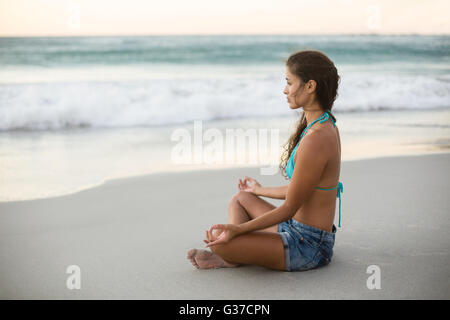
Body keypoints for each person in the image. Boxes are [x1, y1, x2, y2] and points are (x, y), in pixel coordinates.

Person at [187, 50, 343, 271]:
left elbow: (289, 207)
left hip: (309, 246)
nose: (285, 90)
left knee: (219, 238)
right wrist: (259, 190)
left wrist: (238, 230)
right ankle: (238, 250)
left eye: (289, 82)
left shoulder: (317, 139)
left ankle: (230, 256)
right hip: (294, 227)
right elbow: (299, 190)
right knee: (241, 199)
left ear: (310, 86)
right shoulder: (321, 125)